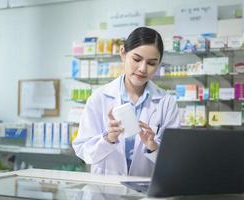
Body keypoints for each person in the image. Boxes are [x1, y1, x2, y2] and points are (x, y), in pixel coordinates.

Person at [73, 27, 180, 177]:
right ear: (123, 53)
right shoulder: (99, 98)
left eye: (151, 63)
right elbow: (83, 150)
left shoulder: (166, 103)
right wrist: (108, 139)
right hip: (106, 191)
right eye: (136, 59)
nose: (143, 69)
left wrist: (153, 146)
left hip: (145, 190)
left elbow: (174, 160)